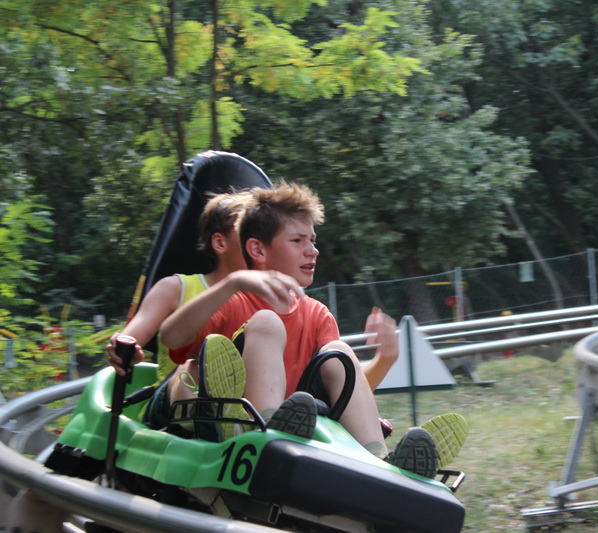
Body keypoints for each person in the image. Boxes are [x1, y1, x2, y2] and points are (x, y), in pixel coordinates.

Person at [159, 182, 439, 478]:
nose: (313, 251)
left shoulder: (316, 314)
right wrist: (232, 282)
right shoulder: (232, 301)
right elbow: (171, 337)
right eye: (298, 240)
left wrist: (385, 360)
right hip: (239, 433)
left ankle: (379, 459)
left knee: (339, 352)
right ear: (257, 249)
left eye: (313, 240)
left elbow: (344, 396)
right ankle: (265, 429)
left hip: (301, 420)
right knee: (266, 322)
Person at [106, 191, 248, 379]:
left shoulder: (271, 295)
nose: (260, 243)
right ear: (220, 243)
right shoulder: (174, 288)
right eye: (248, 233)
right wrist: (122, 347)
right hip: (178, 394)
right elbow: (132, 338)